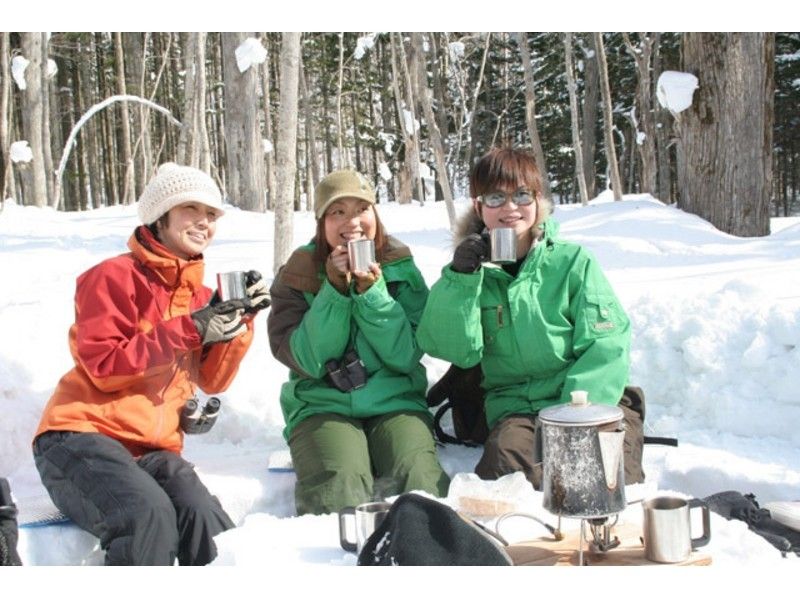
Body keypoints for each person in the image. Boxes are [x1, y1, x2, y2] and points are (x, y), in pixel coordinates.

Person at [32, 163, 270, 566]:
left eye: (212, 214)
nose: (204, 222)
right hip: (80, 437)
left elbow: (213, 380)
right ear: (161, 216)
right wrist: (191, 329)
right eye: (191, 209)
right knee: (146, 517)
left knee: (205, 519)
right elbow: (104, 366)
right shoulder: (112, 277)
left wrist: (239, 323)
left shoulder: (200, 295)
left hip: (150, 450)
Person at [417, 147, 644, 489]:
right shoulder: (469, 275)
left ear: (537, 202)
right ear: (479, 207)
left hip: (586, 400)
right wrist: (460, 279)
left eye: (521, 195)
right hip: (518, 410)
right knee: (505, 481)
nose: (510, 209)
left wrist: (575, 415)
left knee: (602, 481)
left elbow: (606, 344)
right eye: (495, 197)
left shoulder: (571, 262)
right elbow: (454, 349)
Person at [267, 169, 450, 515]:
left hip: (395, 402)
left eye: (361, 209)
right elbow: (308, 360)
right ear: (322, 222)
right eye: (338, 211)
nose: (352, 221)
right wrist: (334, 292)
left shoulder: (399, 264)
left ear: (375, 216)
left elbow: (405, 355)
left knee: (420, 480)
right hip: (323, 406)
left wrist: (371, 294)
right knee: (339, 486)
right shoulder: (299, 270)